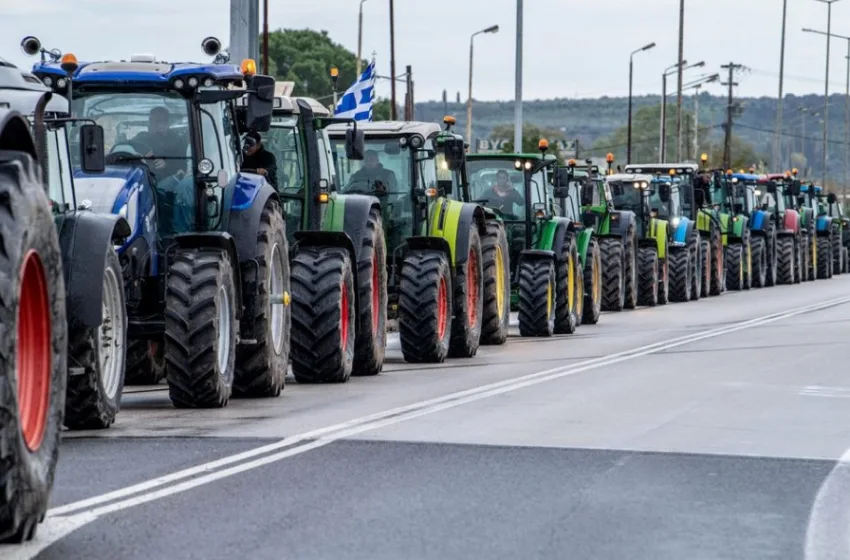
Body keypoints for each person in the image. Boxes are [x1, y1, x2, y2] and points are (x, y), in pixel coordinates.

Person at [131, 107, 187, 178]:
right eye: (151, 120)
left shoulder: (177, 140)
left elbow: (183, 165)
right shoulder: (141, 137)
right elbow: (128, 149)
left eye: (158, 121)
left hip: (166, 182)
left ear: (167, 123)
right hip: (141, 177)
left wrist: (166, 164)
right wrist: (140, 157)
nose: (153, 124)